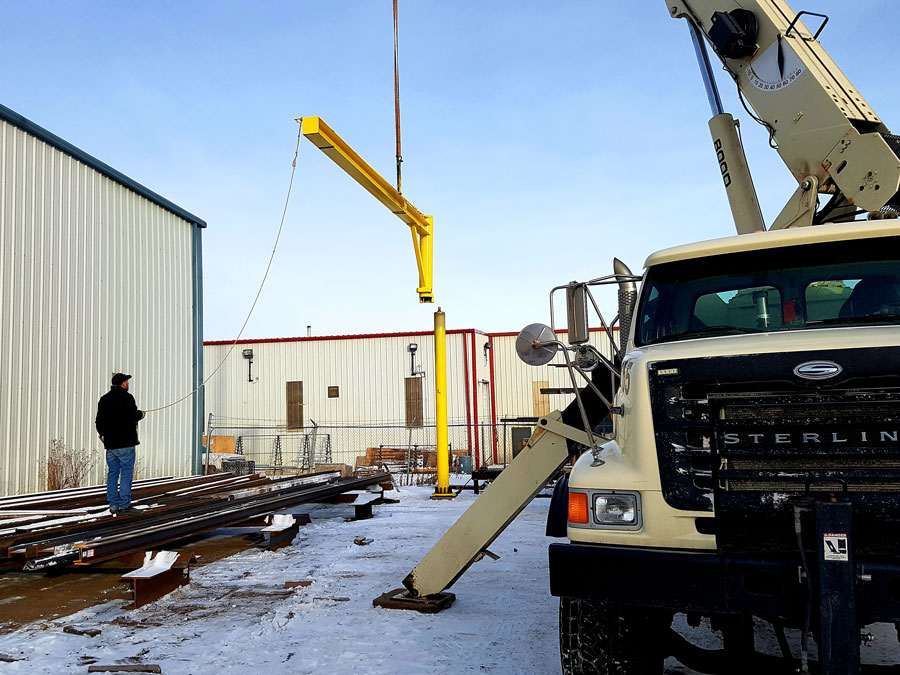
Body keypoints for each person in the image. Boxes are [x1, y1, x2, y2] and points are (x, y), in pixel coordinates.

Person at [95, 373, 146, 515]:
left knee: (112, 474)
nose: (128, 384)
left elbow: (98, 422)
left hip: (111, 445)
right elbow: (132, 416)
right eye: (127, 381)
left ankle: (113, 505)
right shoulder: (127, 398)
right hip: (126, 444)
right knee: (126, 474)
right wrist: (141, 414)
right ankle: (124, 505)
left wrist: (103, 436)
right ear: (123, 383)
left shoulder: (104, 399)